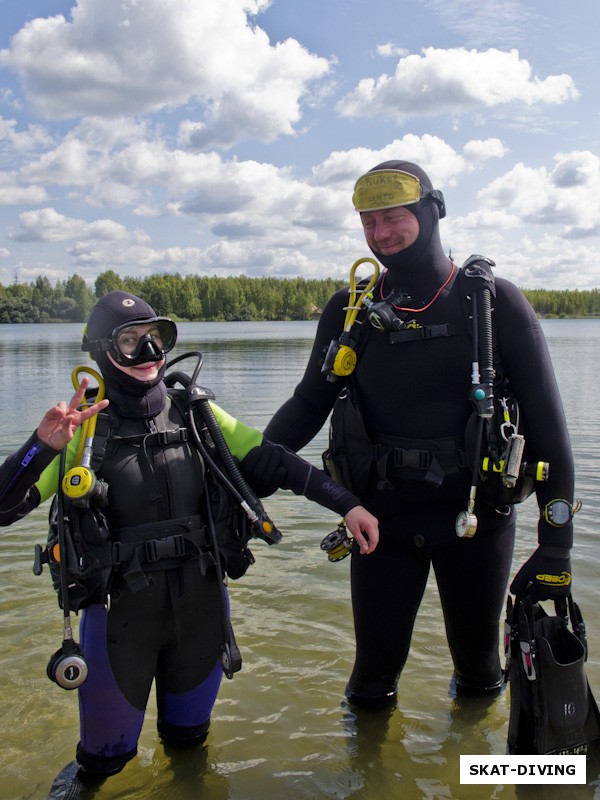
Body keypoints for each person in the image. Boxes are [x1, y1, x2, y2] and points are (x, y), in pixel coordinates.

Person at [0, 290, 379, 795]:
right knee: (101, 763)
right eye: (129, 341)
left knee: (191, 751)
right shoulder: (80, 434)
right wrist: (38, 448)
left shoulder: (199, 415)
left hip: (201, 609)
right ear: (100, 350)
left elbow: (278, 462)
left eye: (157, 339)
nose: (149, 354)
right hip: (119, 622)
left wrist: (347, 504)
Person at [262, 160, 575, 707]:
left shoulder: (495, 303)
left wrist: (557, 549)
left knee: (481, 675)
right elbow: (308, 405)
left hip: (477, 519)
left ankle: (479, 782)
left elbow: (551, 436)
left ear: (432, 212)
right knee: (370, 684)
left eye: (393, 218)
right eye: (368, 223)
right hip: (380, 523)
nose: (380, 235)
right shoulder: (348, 310)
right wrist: (244, 471)